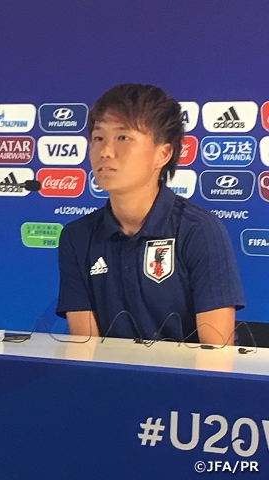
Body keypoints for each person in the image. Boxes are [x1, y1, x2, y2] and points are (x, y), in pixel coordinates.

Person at [56, 83, 245, 345]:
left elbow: (217, 355)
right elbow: (84, 349)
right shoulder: (77, 236)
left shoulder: (198, 229)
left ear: (163, 153)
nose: (105, 151)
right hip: (106, 383)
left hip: (186, 384)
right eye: (98, 138)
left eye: (123, 138)